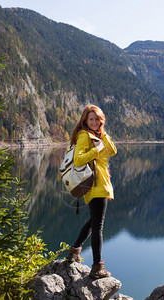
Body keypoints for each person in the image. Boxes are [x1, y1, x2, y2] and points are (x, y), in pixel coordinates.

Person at [65, 104, 117, 279]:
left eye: (98, 119)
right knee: (98, 226)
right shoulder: (84, 136)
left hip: (101, 184)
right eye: (91, 119)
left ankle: (75, 250)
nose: (95, 122)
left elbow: (113, 151)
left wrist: (103, 135)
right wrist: (96, 150)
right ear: (85, 121)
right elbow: (78, 160)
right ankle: (97, 267)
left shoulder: (97, 135)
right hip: (95, 185)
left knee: (94, 221)